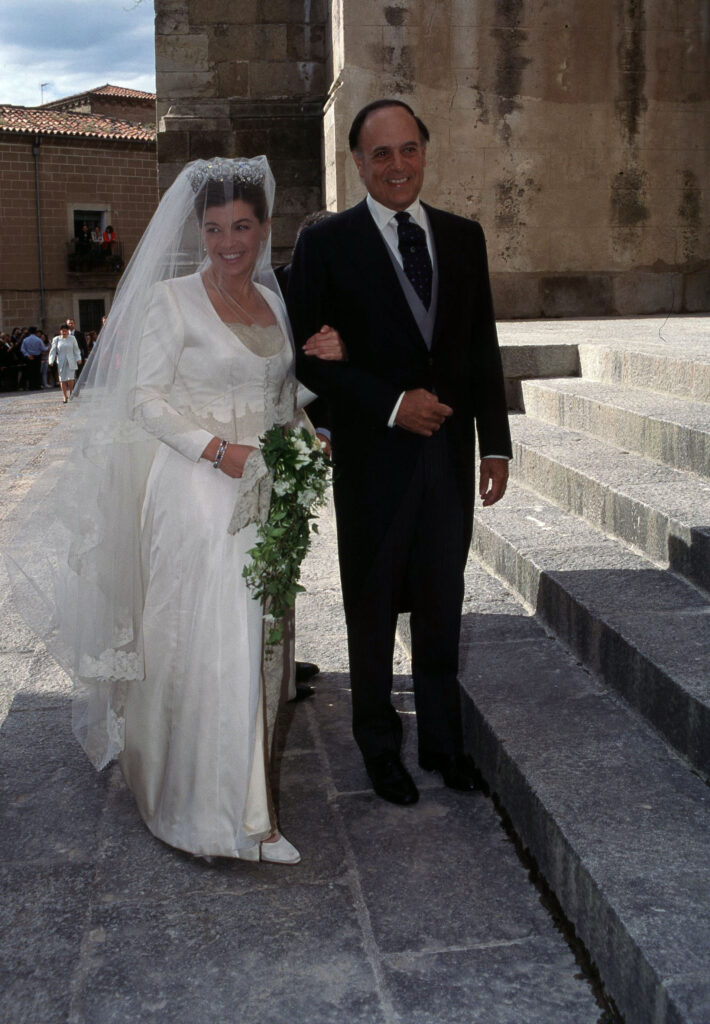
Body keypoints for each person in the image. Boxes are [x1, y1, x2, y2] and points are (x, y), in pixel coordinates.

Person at [9, 156, 343, 865]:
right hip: (197, 487)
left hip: (266, 486)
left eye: (243, 226)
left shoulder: (274, 300)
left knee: (260, 639)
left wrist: (304, 430)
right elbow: (144, 401)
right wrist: (218, 450)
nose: (230, 241)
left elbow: (275, 393)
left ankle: (242, 798)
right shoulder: (171, 301)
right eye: (216, 227)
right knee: (210, 643)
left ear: (262, 228)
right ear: (199, 231)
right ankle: (216, 816)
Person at [287, 99, 512, 806]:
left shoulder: (463, 237)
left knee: (444, 606)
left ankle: (444, 748)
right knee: (374, 606)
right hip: (373, 463)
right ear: (357, 163)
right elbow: (305, 362)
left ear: (425, 152)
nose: (397, 165)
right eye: (380, 154)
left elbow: (480, 347)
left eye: (408, 149)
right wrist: (389, 403)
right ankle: (380, 750)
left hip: (449, 458)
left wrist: (495, 443)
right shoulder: (327, 244)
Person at [48, 323, 82, 402]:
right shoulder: (56, 339)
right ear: (60, 331)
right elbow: (53, 351)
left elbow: (76, 349)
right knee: (62, 379)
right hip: (61, 361)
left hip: (71, 360)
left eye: (66, 331)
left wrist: (78, 358)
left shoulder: (72, 338)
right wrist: (51, 360)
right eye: (63, 331)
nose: (64, 332)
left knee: (70, 378)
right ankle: (64, 396)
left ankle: (71, 393)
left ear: (68, 331)